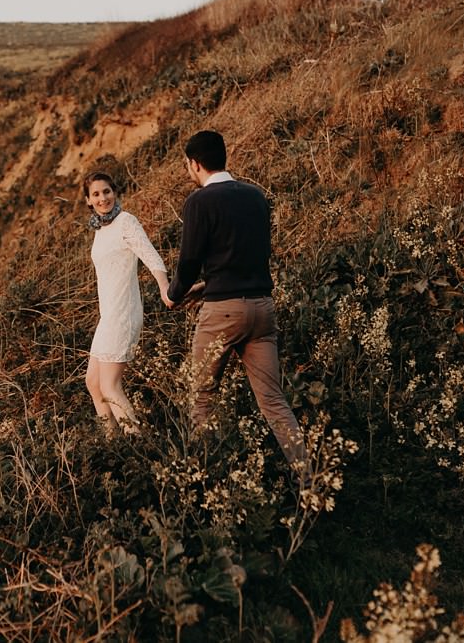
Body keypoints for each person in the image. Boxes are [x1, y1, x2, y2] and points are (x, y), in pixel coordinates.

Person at [164, 130, 307, 473]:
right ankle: (310, 480)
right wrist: (210, 285)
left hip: (223, 313)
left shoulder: (199, 202)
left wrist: (175, 294)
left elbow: (188, 261)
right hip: (261, 308)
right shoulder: (255, 197)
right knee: (274, 402)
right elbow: (249, 255)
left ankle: (204, 479)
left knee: (202, 398)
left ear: (194, 164)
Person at [83, 171, 171, 435]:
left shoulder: (125, 222)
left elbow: (150, 256)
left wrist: (164, 287)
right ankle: (113, 444)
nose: (103, 198)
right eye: (96, 194)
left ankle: (138, 443)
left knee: (110, 385)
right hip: (107, 317)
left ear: (115, 192)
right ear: (88, 200)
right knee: (93, 382)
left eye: (107, 191)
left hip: (124, 314)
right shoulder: (100, 229)